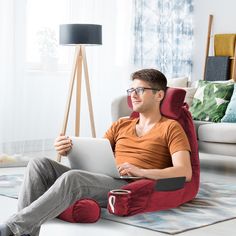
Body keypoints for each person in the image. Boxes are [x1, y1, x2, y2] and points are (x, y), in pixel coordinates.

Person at [0, 69, 192, 236]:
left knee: (74, 178)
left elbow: (185, 172)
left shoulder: (171, 128)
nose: (133, 95)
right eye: (131, 90)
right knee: (38, 163)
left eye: (140, 90)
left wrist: (141, 171)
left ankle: (12, 227)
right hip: (104, 175)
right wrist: (68, 149)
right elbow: (97, 153)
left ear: (159, 95)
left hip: (126, 184)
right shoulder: (121, 124)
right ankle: (23, 233)